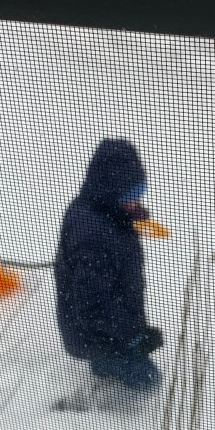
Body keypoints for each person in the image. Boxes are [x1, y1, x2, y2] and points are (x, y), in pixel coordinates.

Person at [53, 139, 163, 403]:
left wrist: (129, 215)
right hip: (96, 333)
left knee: (120, 360)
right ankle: (94, 409)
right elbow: (93, 306)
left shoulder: (98, 213)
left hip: (105, 326)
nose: (137, 200)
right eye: (130, 196)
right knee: (149, 382)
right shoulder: (94, 235)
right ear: (110, 194)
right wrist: (135, 334)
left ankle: (105, 367)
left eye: (140, 192)